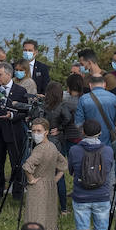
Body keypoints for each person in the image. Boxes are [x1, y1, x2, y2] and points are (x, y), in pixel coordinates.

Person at [67, 119, 114, 230]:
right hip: (102, 196)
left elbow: (71, 171)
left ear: (83, 132)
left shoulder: (74, 150)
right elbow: (108, 170)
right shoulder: (108, 150)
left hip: (81, 196)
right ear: (100, 133)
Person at [21, 117, 67, 230]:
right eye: (33, 130)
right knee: (48, 219)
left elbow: (27, 166)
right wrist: (54, 179)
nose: (35, 133)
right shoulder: (52, 146)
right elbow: (64, 164)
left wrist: (31, 179)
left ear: (46, 131)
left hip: (38, 188)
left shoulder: (39, 149)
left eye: (38, 130)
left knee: (35, 218)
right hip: (50, 187)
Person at [0, 63, 29, 202]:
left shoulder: (20, 90)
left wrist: (12, 116)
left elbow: (25, 112)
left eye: (0, 74)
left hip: (14, 132)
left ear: (8, 74)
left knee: (16, 164)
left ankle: (18, 193)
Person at [43, 79, 77, 213]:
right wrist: (60, 128)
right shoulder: (62, 106)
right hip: (57, 140)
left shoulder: (44, 106)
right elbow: (68, 118)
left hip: (45, 139)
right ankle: (63, 207)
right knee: (59, 172)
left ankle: (45, 205)